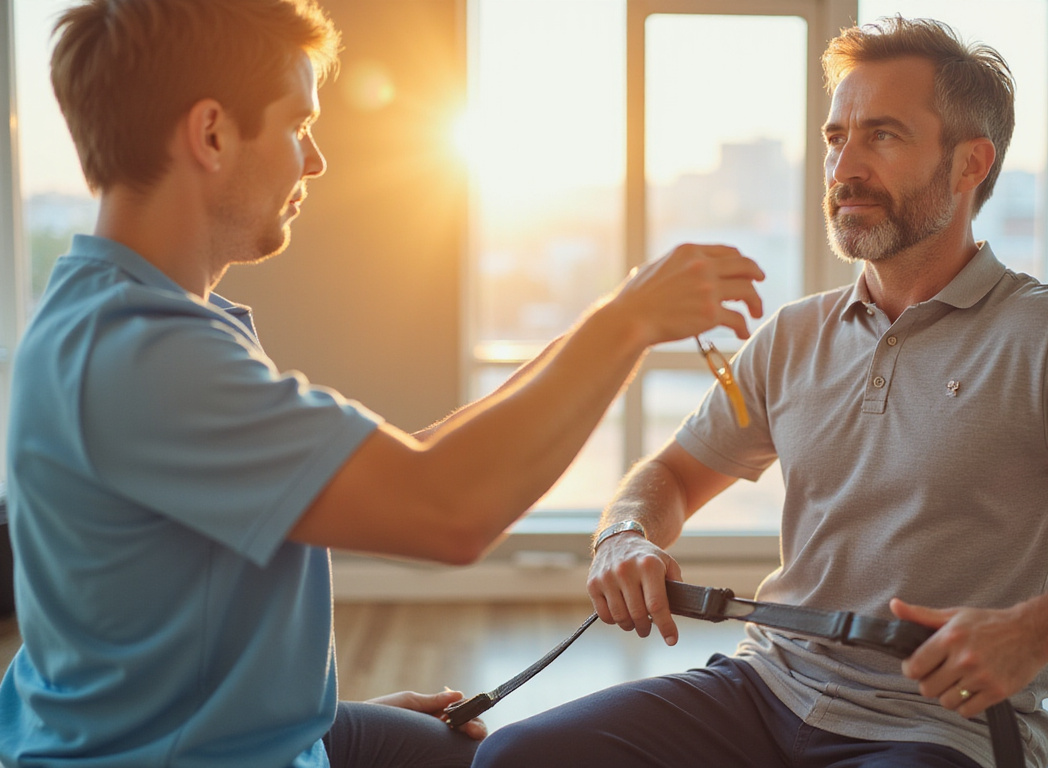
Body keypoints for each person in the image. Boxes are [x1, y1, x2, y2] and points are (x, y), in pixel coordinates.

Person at [472, 16, 1048, 768]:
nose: (846, 167)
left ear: (970, 164)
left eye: (882, 135)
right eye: (835, 137)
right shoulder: (793, 335)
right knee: (516, 756)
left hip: (936, 726)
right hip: (767, 684)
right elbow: (672, 477)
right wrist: (626, 534)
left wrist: (1036, 632)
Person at [0, 1, 765, 767]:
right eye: (299, 123)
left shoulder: (131, 315)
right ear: (211, 134)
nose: (315, 159)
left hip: (217, 728)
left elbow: (407, 460)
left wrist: (316, 708)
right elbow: (449, 509)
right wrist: (624, 323)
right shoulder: (144, 356)